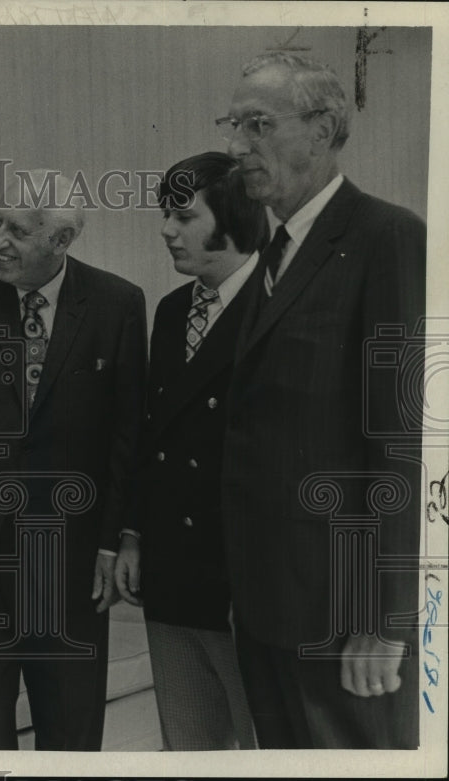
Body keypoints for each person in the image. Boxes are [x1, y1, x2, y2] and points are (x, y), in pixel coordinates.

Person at [218, 52, 425, 748]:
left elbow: (403, 445)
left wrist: (383, 617)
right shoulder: (272, 257)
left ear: (324, 128)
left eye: (258, 125)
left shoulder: (387, 238)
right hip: (267, 607)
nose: (236, 146)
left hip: (344, 621)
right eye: (233, 125)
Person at [0, 171, 147, 750]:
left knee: (70, 719)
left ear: (60, 240)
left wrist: (111, 540)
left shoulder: (117, 302)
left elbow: (128, 433)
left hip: (72, 553)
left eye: (16, 230)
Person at [115, 152, 264, 750]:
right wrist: (132, 534)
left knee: (261, 749)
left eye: (182, 215)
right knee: (189, 744)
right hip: (172, 571)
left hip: (243, 581)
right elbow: (155, 434)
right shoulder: (174, 310)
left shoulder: (280, 306)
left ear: (232, 218)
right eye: (165, 214)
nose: (166, 230)